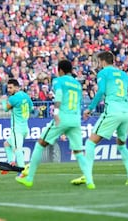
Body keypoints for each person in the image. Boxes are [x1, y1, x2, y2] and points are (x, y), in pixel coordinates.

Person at [71, 51, 128, 189]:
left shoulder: (103, 73)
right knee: (121, 145)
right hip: (126, 112)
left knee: (90, 143)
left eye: (98, 61)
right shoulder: (123, 74)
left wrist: (90, 108)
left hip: (112, 111)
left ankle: (87, 176)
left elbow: (101, 91)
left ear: (103, 61)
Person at [16, 60, 90, 188]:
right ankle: (89, 181)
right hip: (75, 119)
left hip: (62, 118)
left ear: (60, 70)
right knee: (78, 151)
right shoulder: (78, 84)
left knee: (40, 144)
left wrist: (55, 111)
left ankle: (29, 178)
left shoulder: (58, 80)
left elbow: (59, 95)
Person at [2, 79, 33, 169]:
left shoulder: (13, 98)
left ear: (16, 87)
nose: (8, 90)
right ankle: (11, 162)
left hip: (17, 130)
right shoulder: (26, 96)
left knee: (17, 149)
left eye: (11, 88)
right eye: (8, 87)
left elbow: (6, 109)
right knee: (7, 144)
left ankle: (22, 170)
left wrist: (4, 101)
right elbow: (31, 108)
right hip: (25, 128)